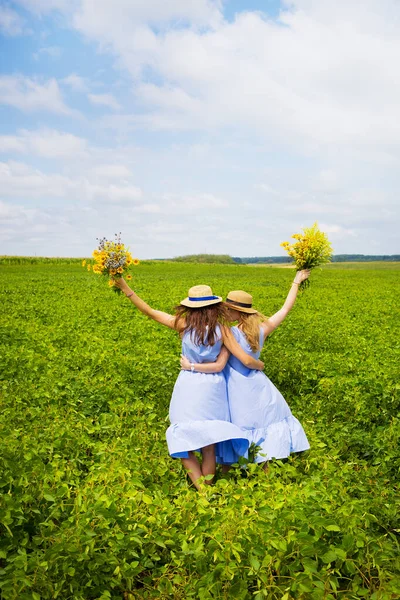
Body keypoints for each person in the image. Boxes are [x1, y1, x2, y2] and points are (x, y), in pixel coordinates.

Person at [114, 278, 264, 489]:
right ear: (214, 306)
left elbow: (149, 311)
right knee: (209, 447)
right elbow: (229, 363)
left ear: (190, 307)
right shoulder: (223, 330)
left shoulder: (184, 325)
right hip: (214, 388)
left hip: (189, 386)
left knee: (183, 438)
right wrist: (258, 364)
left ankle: (203, 493)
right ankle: (209, 491)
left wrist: (124, 287)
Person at [181, 270, 310, 467]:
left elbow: (244, 360)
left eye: (227, 310)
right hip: (259, 383)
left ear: (236, 312)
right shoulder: (262, 328)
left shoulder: (227, 331)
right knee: (264, 423)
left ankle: (229, 470)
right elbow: (285, 309)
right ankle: (267, 469)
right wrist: (296, 281)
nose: (224, 313)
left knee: (239, 427)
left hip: (237, 386)